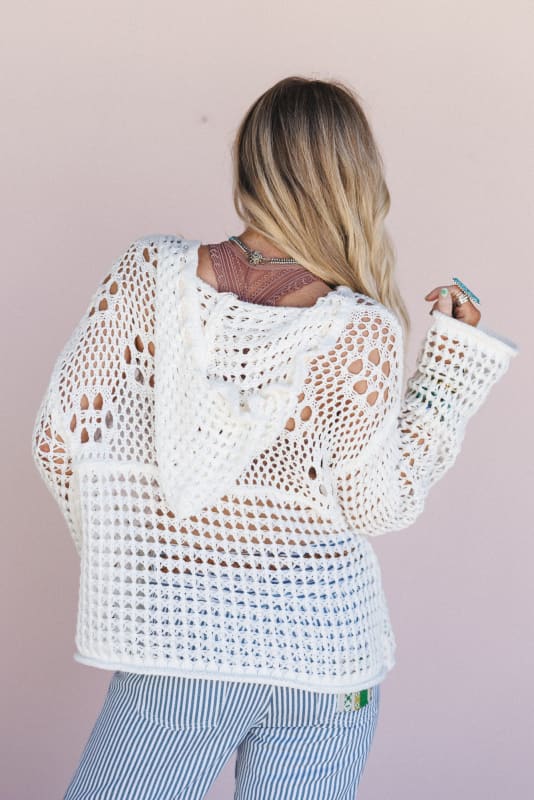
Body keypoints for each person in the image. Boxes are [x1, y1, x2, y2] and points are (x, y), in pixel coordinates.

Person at [32, 76, 519, 800]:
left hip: (184, 645)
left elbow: (59, 442)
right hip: (327, 660)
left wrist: (144, 566)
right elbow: (378, 507)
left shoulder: (149, 275)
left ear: (247, 162)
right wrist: (447, 375)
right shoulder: (364, 331)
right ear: (356, 180)